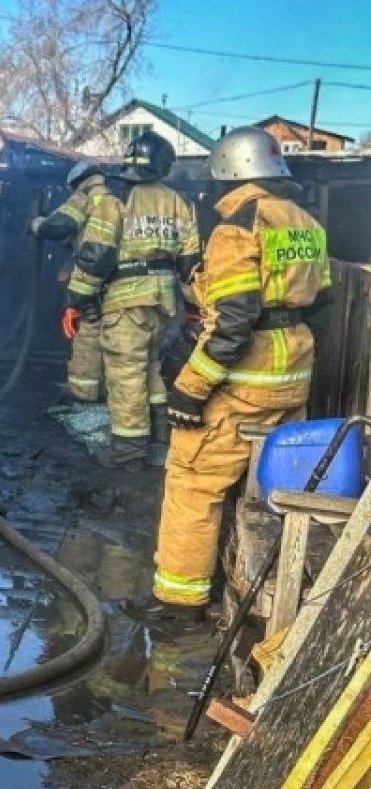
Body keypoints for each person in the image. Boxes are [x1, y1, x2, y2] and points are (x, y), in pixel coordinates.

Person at [126, 127, 331, 632]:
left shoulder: (239, 225)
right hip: (292, 371)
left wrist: (189, 390)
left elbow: (234, 320)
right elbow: (320, 299)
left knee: (194, 479)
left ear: (228, 172)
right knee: (266, 482)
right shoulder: (305, 222)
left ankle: (178, 602)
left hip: (245, 375)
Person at [64, 131, 201, 468]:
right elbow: (191, 264)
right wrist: (194, 309)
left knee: (125, 377)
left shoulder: (115, 200)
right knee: (151, 367)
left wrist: (74, 300)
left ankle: (128, 455)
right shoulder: (178, 203)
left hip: (125, 304)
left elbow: (97, 255)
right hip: (164, 304)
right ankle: (158, 435)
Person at [30, 160, 113, 403]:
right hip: (118, 278)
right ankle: (108, 389)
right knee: (112, 335)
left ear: (77, 182)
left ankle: (83, 391)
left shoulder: (86, 195)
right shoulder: (113, 197)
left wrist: (36, 224)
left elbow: (59, 226)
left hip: (93, 274)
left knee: (87, 332)